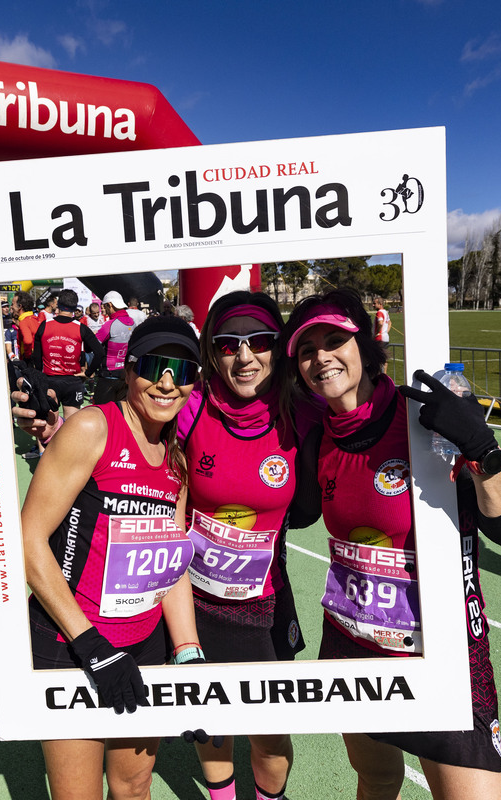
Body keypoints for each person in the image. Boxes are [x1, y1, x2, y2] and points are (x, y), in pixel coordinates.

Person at [283, 289, 501, 800]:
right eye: (306, 350)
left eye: (335, 340)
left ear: (368, 347)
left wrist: (481, 447)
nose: (321, 357)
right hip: (352, 643)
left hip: (444, 649)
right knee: (376, 779)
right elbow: (299, 514)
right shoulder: (317, 438)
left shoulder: (424, 420)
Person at [20, 316, 204, 800]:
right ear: (129, 370)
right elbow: (27, 539)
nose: (167, 382)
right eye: (155, 367)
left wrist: (188, 654)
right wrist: (91, 645)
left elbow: (172, 567)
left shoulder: (176, 458)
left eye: (182, 371)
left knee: (135, 785)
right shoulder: (91, 428)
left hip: (143, 644)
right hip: (70, 642)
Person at [175, 291, 307, 800]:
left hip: (266, 606)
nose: (245, 356)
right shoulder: (191, 407)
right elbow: (132, 438)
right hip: (198, 603)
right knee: (211, 723)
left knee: (270, 734)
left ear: (279, 349)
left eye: (260, 342)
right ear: (212, 351)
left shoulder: (300, 412)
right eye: (230, 344)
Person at [30, 289, 104, 420]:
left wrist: (39, 376)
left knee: (48, 425)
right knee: (72, 426)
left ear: (58, 304)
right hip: (73, 381)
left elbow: (36, 355)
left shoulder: (44, 325)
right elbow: (99, 352)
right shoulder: (80, 327)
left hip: (49, 379)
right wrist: (87, 373)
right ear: (75, 307)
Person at [93, 291, 138, 405]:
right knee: (121, 413)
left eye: (105, 307)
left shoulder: (109, 325)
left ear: (110, 305)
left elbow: (93, 345)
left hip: (109, 376)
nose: (105, 310)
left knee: (101, 413)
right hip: (127, 376)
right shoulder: (133, 323)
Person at [14, 290, 42, 360]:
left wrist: (27, 356)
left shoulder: (24, 322)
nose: (11, 307)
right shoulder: (35, 319)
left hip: (30, 361)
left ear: (20, 306)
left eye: (12, 304)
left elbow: (28, 341)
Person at [372, 296, 391, 375]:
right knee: (384, 358)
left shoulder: (379, 312)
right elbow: (390, 323)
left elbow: (380, 323)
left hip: (379, 338)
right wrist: (386, 332)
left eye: (374, 303)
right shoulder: (385, 312)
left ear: (380, 304)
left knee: (377, 358)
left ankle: (380, 376)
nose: (373, 305)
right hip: (385, 337)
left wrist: (377, 332)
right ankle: (384, 375)